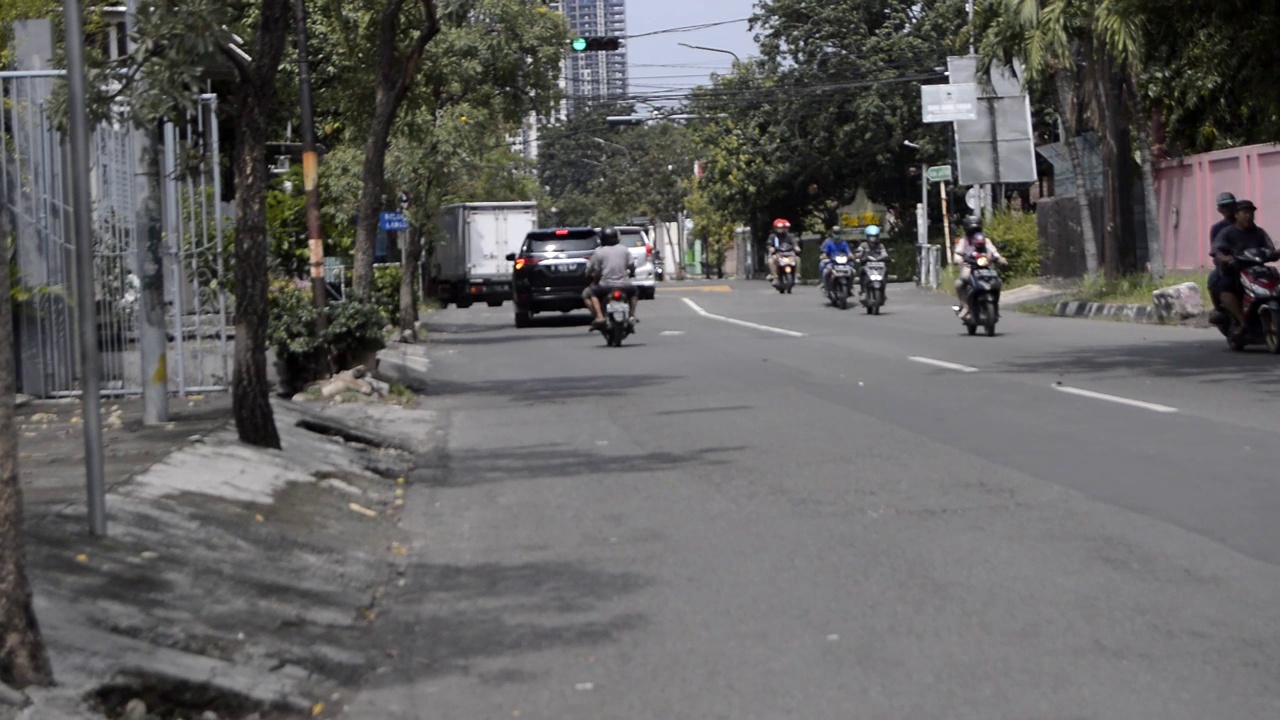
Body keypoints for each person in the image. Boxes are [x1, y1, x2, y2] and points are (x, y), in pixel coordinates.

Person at [1210, 199, 1276, 336]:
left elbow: (1270, 249)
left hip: (1257, 271)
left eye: (1251, 213)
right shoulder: (1227, 232)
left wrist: (1273, 254)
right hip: (1235, 271)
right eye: (1245, 213)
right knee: (1225, 288)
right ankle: (1242, 322)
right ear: (1236, 215)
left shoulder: (1259, 232)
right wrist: (1225, 258)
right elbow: (1217, 250)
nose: (1249, 216)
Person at [584, 226, 638, 329]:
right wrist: (631, 273)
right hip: (624, 285)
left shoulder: (599, 252)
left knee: (591, 294)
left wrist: (594, 281)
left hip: (605, 286)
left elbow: (596, 271)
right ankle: (631, 315)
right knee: (634, 292)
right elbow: (631, 265)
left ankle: (599, 316)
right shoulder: (624, 249)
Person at [953, 217, 1007, 318]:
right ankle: (965, 306)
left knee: (997, 282)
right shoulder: (963, 241)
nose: (974, 232)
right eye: (972, 230)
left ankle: (995, 305)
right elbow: (957, 254)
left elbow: (994, 252)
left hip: (986, 266)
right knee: (960, 283)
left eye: (976, 229)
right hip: (970, 266)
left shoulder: (985, 240)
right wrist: (959, 259)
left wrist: (1000, 258)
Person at [1206, 192, 1237, 319]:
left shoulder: (1248, 225)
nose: (1227, 209)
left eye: (1230, 205)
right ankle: (1220, 310)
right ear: (1219, 209)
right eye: (1224, 206)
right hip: (1229, 265)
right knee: (1213, 280)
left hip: (1249, 263)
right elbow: (1216, 249)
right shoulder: (1217, 228)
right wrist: (1224, 258)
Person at [819, 225, 853, 291]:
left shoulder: (843, 243)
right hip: (832, 262)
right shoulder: (829, 243)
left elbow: (849, 252)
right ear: (832, 233)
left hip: (843, 262)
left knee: (852, 271)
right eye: (835, 233)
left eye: (838, 233)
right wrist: (824, 256)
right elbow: (825, 253)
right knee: (824, 270)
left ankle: (850, 287)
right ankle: (824, 284)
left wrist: (851, 256)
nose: (836, 235)